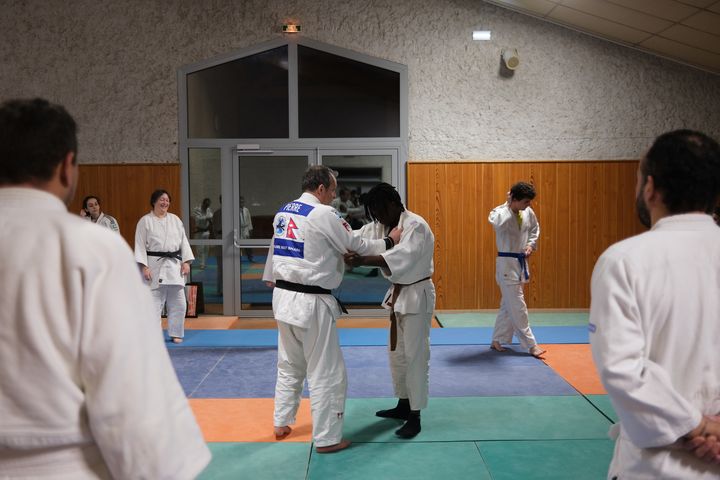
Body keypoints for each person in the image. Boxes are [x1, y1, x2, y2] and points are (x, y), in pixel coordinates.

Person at [0, 98, 210, 479]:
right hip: (59, 465)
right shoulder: (87, 247)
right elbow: (130, 397)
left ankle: (177, 333)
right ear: (67, 167)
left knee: (172, 303)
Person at [589, 129, 720, 478]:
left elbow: (623, 370)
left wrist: (699, 426)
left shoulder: (625, 260)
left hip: (655, 466)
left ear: (649, 187)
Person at [262, 165, 401, 454]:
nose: (334, 196)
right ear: (321, 188)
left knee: (289, 363)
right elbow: (355, 244)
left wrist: (269, 276)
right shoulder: (323, 213)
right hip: (310, 302)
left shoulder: (284, 212)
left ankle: (281, 421)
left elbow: (276, 250)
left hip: (283, 297)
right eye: (333, 190)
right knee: (327, 372)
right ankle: (327, 438)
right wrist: (390, 240)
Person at [344, 183, 435, 439]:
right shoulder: (382, 226)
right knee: (398, 353)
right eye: (373, 212)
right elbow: (360, 238)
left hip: (417, 293)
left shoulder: (415, 225)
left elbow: (401, 256)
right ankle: (404, 404)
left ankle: (415, 415)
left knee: (416, 355)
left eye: (380, 210)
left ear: (394, 203)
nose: (377, 216)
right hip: (399, 294)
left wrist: (362, 260)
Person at [488, 182, 545, 358]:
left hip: (520, 263)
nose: (528, 205)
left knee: (508, 305)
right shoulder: (499, 212)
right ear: (513, 198)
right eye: (525, 202)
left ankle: (497, 339)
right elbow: (497, 224)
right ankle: (531, 344)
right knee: (518, 306)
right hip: (506, 264)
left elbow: (534, 229)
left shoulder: (527, 212)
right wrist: (508, 206)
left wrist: (530, 245)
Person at [135, 189, 194, 344]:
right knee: (154, 304)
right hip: (155, 266)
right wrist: (144, 266)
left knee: (179, 303)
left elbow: (184, 242)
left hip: (174, 266)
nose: (165, 203)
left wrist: (186, 261)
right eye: (161, 200)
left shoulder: (175, 220)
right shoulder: (145, 221)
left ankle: (176, 333)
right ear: (154, 202)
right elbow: (139, 245)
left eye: (167, 200)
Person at [192, 197, 213, 269]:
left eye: (208, 205)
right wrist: (207, 217)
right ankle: (201, 263)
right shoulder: (197, 209)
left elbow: (211, 216)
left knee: (206, 248)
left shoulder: (208, 209)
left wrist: (208, 217)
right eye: (206, 205)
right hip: (199, 231)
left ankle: (204, 262)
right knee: (200, 249)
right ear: (203, 203)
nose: (207, 206)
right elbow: (198, 218)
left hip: (206, 231)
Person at [239, 195, 254, 262]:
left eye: (243, 202)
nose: (242, 203)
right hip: (239, 229)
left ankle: (250, 258)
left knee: (248, 245)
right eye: (240, 202)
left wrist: (250, 229)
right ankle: (238, 259)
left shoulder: (246, 210)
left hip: (246, 229)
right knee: (239, 245)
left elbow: (249, 220)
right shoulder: (235, 210)